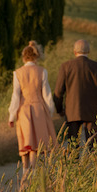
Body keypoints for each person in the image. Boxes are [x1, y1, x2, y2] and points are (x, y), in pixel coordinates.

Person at [53, 38, 97, 157]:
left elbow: (58, 92)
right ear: (88, 51)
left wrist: (60, 110)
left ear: (74, 51)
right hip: (92, 111)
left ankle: (74, 170)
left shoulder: (66, 66)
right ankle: (94, 171)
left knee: (73, 146)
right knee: (93, 147)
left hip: (72, 111)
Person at [7, 41, 58, 174]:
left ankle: (25, 170)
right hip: (39, 109)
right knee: (36, 142)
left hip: (23, 109)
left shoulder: (17, 73)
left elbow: (16, 96)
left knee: (25, 139)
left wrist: (12, 115)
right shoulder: (42, 71)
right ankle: (34, 171)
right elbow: (46, 94)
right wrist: (50, 111)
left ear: (23, 56)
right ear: (36, 56)